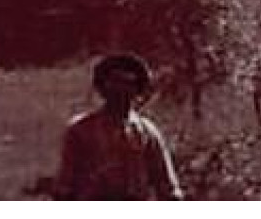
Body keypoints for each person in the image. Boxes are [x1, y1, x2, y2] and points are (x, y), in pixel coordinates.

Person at [55, 54, 183, 201]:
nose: (121, 89)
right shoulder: (81, 130)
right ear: (103, 87)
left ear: (137, 89)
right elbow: (64, 187)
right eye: (115, 82)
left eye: (128, 83)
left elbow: (167, 187)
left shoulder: (147, 132)